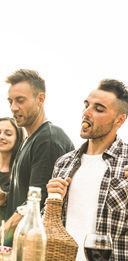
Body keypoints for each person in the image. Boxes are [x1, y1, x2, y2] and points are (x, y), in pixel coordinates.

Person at [0, 69, 74, 257]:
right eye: (10, 101)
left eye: (20, 100)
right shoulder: (28, 140)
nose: (13, 108)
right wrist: (5, 197)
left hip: (36, 253)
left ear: (40, 99)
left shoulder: (48, 140)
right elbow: (28, 197)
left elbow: (36, 205)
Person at [46, 79, 128, 260]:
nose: (86, 113)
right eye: (86, 105)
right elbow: (49, 228)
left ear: (119, 120)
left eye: (98, 109)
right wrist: (51, 201)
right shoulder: (63, 163)